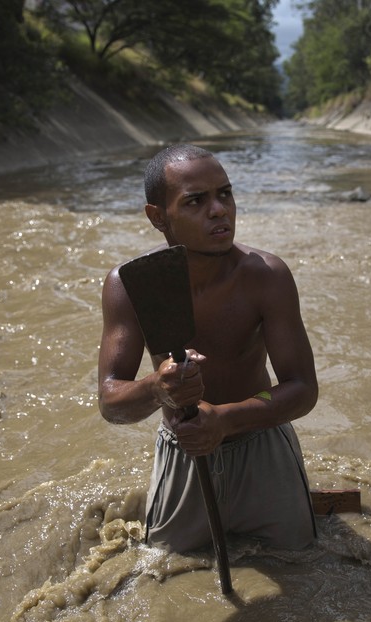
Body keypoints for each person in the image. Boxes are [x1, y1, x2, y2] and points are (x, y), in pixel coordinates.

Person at [98, 143, 318, 553]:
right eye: (196, 201)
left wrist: (225, 419)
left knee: (300, 561)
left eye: (225, 194)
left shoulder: (266, 276)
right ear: (158, 217)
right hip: (185, 452)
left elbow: (302, 387)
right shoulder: (131, 285)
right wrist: (156, 388)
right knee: (165, 570)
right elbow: (111, 402)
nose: (219, 210)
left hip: (261, 439)